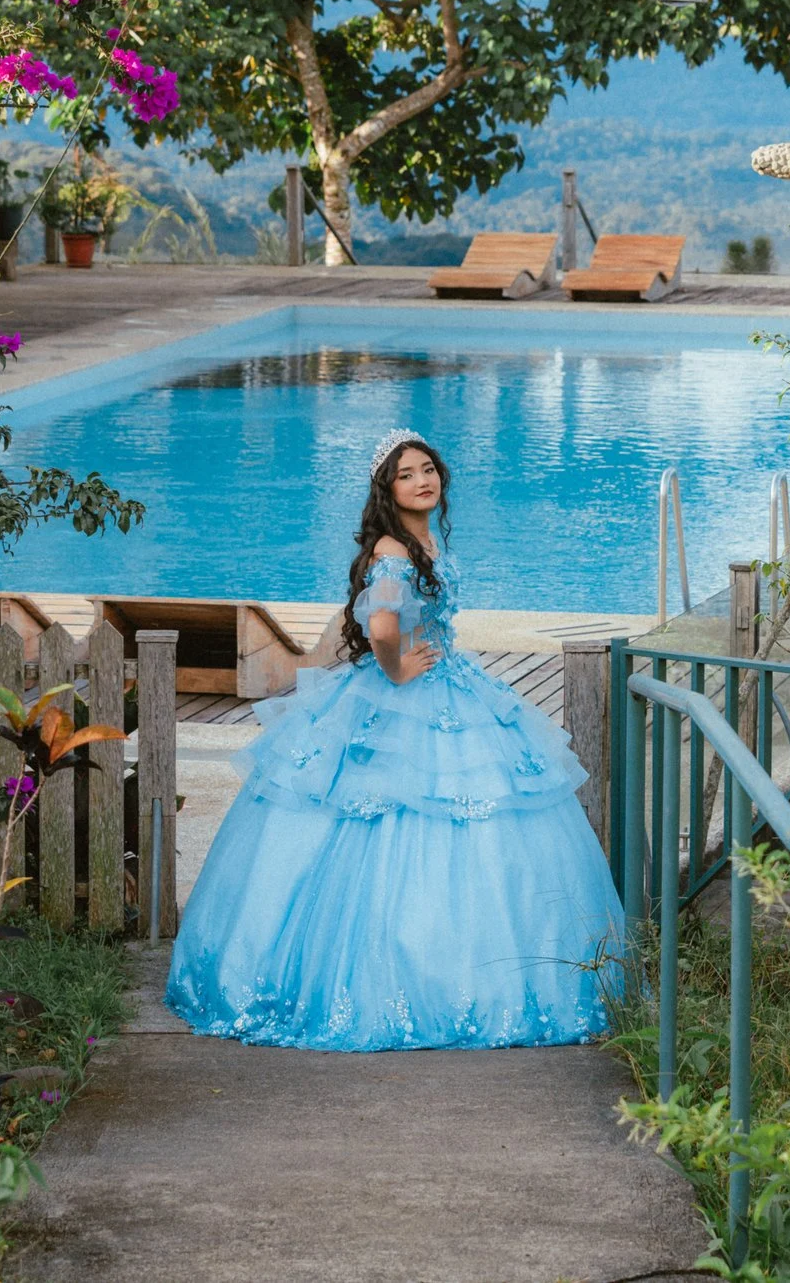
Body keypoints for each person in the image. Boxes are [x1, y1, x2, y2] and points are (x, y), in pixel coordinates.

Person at [166, 430, 623, 1050]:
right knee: (390, 816)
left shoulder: (424, 539)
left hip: (449, 682)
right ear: (388, 488)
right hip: (412, 687)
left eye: (429, 469)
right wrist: (399, 667)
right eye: (408, 474)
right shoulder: (393, 550)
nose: (423, 481)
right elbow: (382, 626)